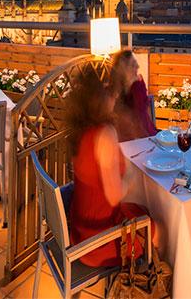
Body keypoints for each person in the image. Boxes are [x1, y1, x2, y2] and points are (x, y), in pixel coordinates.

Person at [66, 65, 153, 267]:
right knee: (161, 228)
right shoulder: (104, 134)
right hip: (99, 241)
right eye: (109, 90)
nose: (115, 95)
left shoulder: (80, 130)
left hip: (79, 232)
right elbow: (115, 196)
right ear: (98, 98)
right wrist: (131, 172)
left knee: (143, 209)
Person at [108, 49, 157, 141]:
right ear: (124, 69)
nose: (138, 66)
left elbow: (143, 112)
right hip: (127, 137)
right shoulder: (115, 91)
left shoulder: (137, 83)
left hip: (145, 133)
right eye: (133, 65)